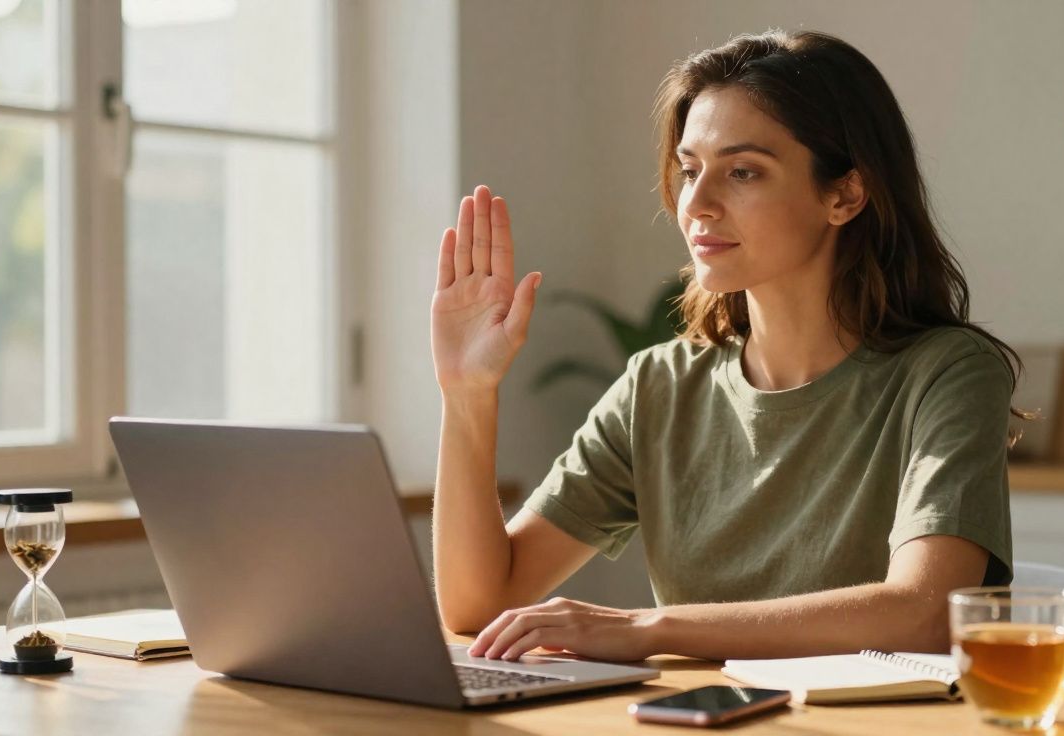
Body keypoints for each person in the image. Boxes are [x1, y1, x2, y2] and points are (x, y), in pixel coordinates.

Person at [429, 30, 1022, 663]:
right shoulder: (659, 387)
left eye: (742, 172)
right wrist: (468, 395)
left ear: (844, 194)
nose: (696, 204)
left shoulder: (948, 374)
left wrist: (650, 630)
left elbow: (926, 612)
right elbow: (477, 606)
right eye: (689, 170)